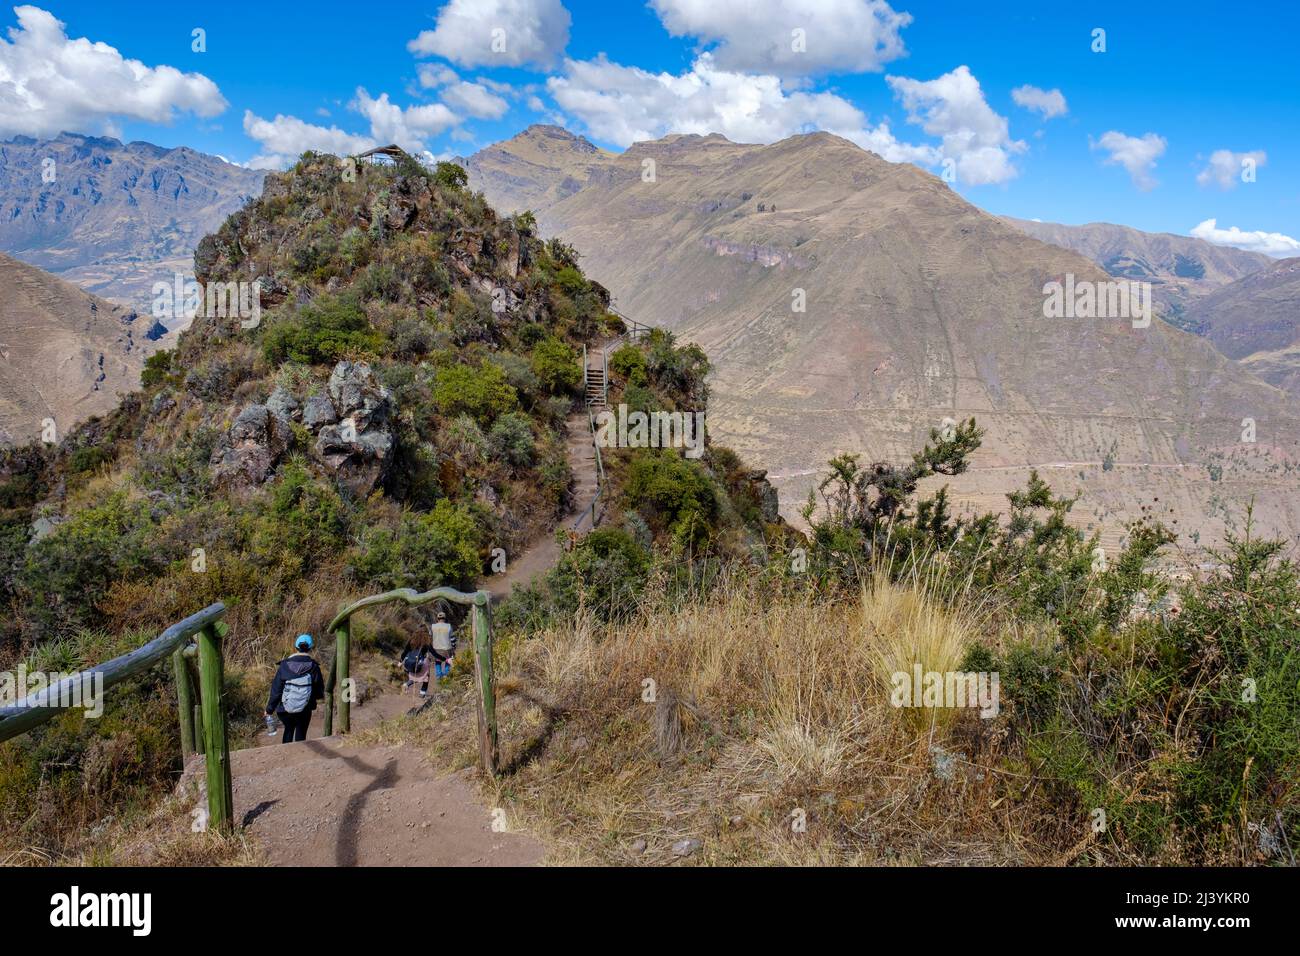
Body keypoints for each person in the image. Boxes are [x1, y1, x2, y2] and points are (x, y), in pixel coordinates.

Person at [265, 634, 325, 743]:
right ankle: (300, 755)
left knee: (288, 729)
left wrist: (269, 709)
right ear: (310, 648)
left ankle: (286, 757)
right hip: (305, 709)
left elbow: (276, 690)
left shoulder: (284, 665)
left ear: (296, 647)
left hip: (284, 709)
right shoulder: (314, 666)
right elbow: (319, 692)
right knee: (301, 733)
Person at [398, 630, 433, 698]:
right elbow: (433, 653)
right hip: (422, 662)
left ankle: (406, 685)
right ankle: (422, 693)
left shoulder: (412, 641)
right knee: (426, 678)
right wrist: (444, 659)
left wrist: (400, 662)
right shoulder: (426, 642)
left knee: (413, 677)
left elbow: (405, 652)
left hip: (411, 663)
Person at [429, 609, 456, 680]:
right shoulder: (449, 626)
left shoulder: (432, 626)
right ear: (445, 618)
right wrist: (454, 647)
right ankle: (446, 675)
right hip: (447, 648)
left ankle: (439, 675)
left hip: (436, 648)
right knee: (448, 661)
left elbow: (429, 637)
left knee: (438, 662)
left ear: (437, 618)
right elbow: (452, 638)